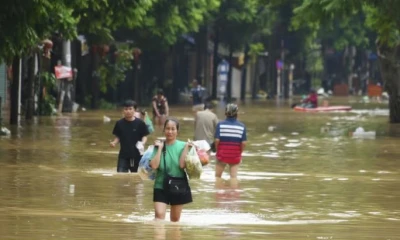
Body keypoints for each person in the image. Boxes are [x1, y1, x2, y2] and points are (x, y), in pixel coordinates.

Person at [149, 118, 193, 222]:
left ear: (177, 131)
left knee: (175, 220)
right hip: (160, 185)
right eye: (167, 129)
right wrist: (159, 148)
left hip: (178, 185)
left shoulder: (184, 146)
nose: (170, 132)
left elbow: (182, 165)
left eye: (173, 129)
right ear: (163, 130)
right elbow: (154, 166)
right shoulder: (157, 145)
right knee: (159, 217)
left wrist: (187, 148)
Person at [110, 100, 150, 172]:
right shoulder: (119, 123)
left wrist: (143, 143)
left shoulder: (140, 123)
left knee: (136, 177)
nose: (128, 111)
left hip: (137, 155)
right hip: (123, 155)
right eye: (126, 109)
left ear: (134, 110)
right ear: (123, 110)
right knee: (120, 175)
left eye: (130, 109)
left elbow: (144, 136)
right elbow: (118, 136)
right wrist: (114, 143)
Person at [214, 103, 247, 187]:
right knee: (233, 177)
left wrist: (217, 151)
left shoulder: (220, 125)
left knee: (218, 176)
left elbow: (217, 140)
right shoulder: (242, 126)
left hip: (222, 154)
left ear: (225, 113)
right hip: (235, 155)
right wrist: (240, 152)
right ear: (237, 113)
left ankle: (218, 194)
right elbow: (243, 143)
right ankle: (233, 195)